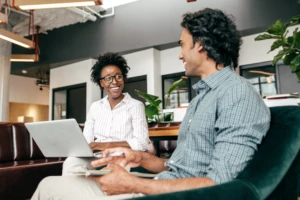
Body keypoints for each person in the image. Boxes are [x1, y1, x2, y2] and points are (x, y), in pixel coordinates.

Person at [32, 8, 271, 199]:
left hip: (159, 193)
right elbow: (180, 167)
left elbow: (221, 184)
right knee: (49, 184)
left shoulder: (237, 95)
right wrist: (140, 159)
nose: (180, 54)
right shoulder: (203, 98)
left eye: (181, 44)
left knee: (50, 188)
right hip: (156, 186)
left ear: (200, 45)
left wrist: (134, 184)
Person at [62, 52, 154, 176]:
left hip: (122, 157)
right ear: (101, 83)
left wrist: (105, 145)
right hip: (97, 157)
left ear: (124, 78)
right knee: (71, 162)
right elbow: (87, 140)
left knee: (109, 171)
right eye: (108, 78)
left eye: (118, 76)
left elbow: (142, 142)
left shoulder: (135, 105)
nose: (114, 82)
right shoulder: (95, 107)